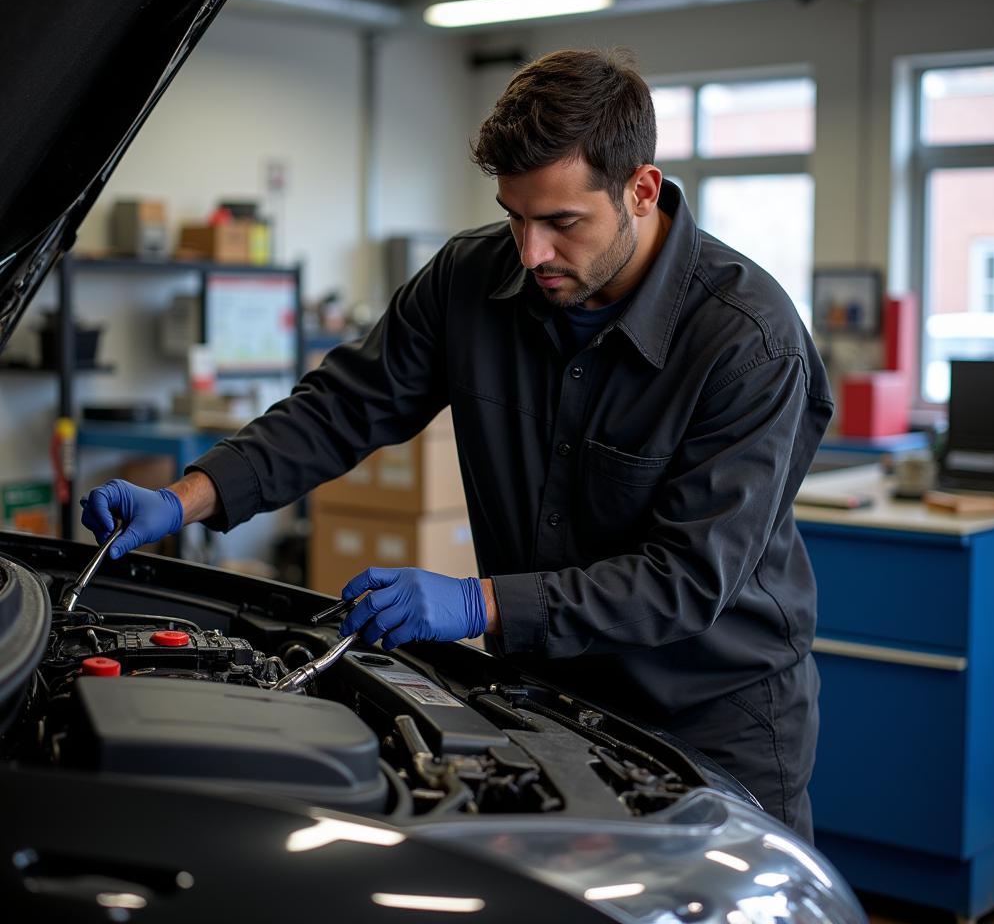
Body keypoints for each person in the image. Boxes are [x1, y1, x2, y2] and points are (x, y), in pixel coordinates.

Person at [82, 48, 833, 842]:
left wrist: (476, 603)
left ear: (640, 190)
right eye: (515, 216)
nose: (531, 252)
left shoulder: (749, 342)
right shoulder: (468, 280)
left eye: (562, 223)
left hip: (710, 718)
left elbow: (685, 578)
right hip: (543, 699)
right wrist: (182, 499)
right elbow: (340, 407)